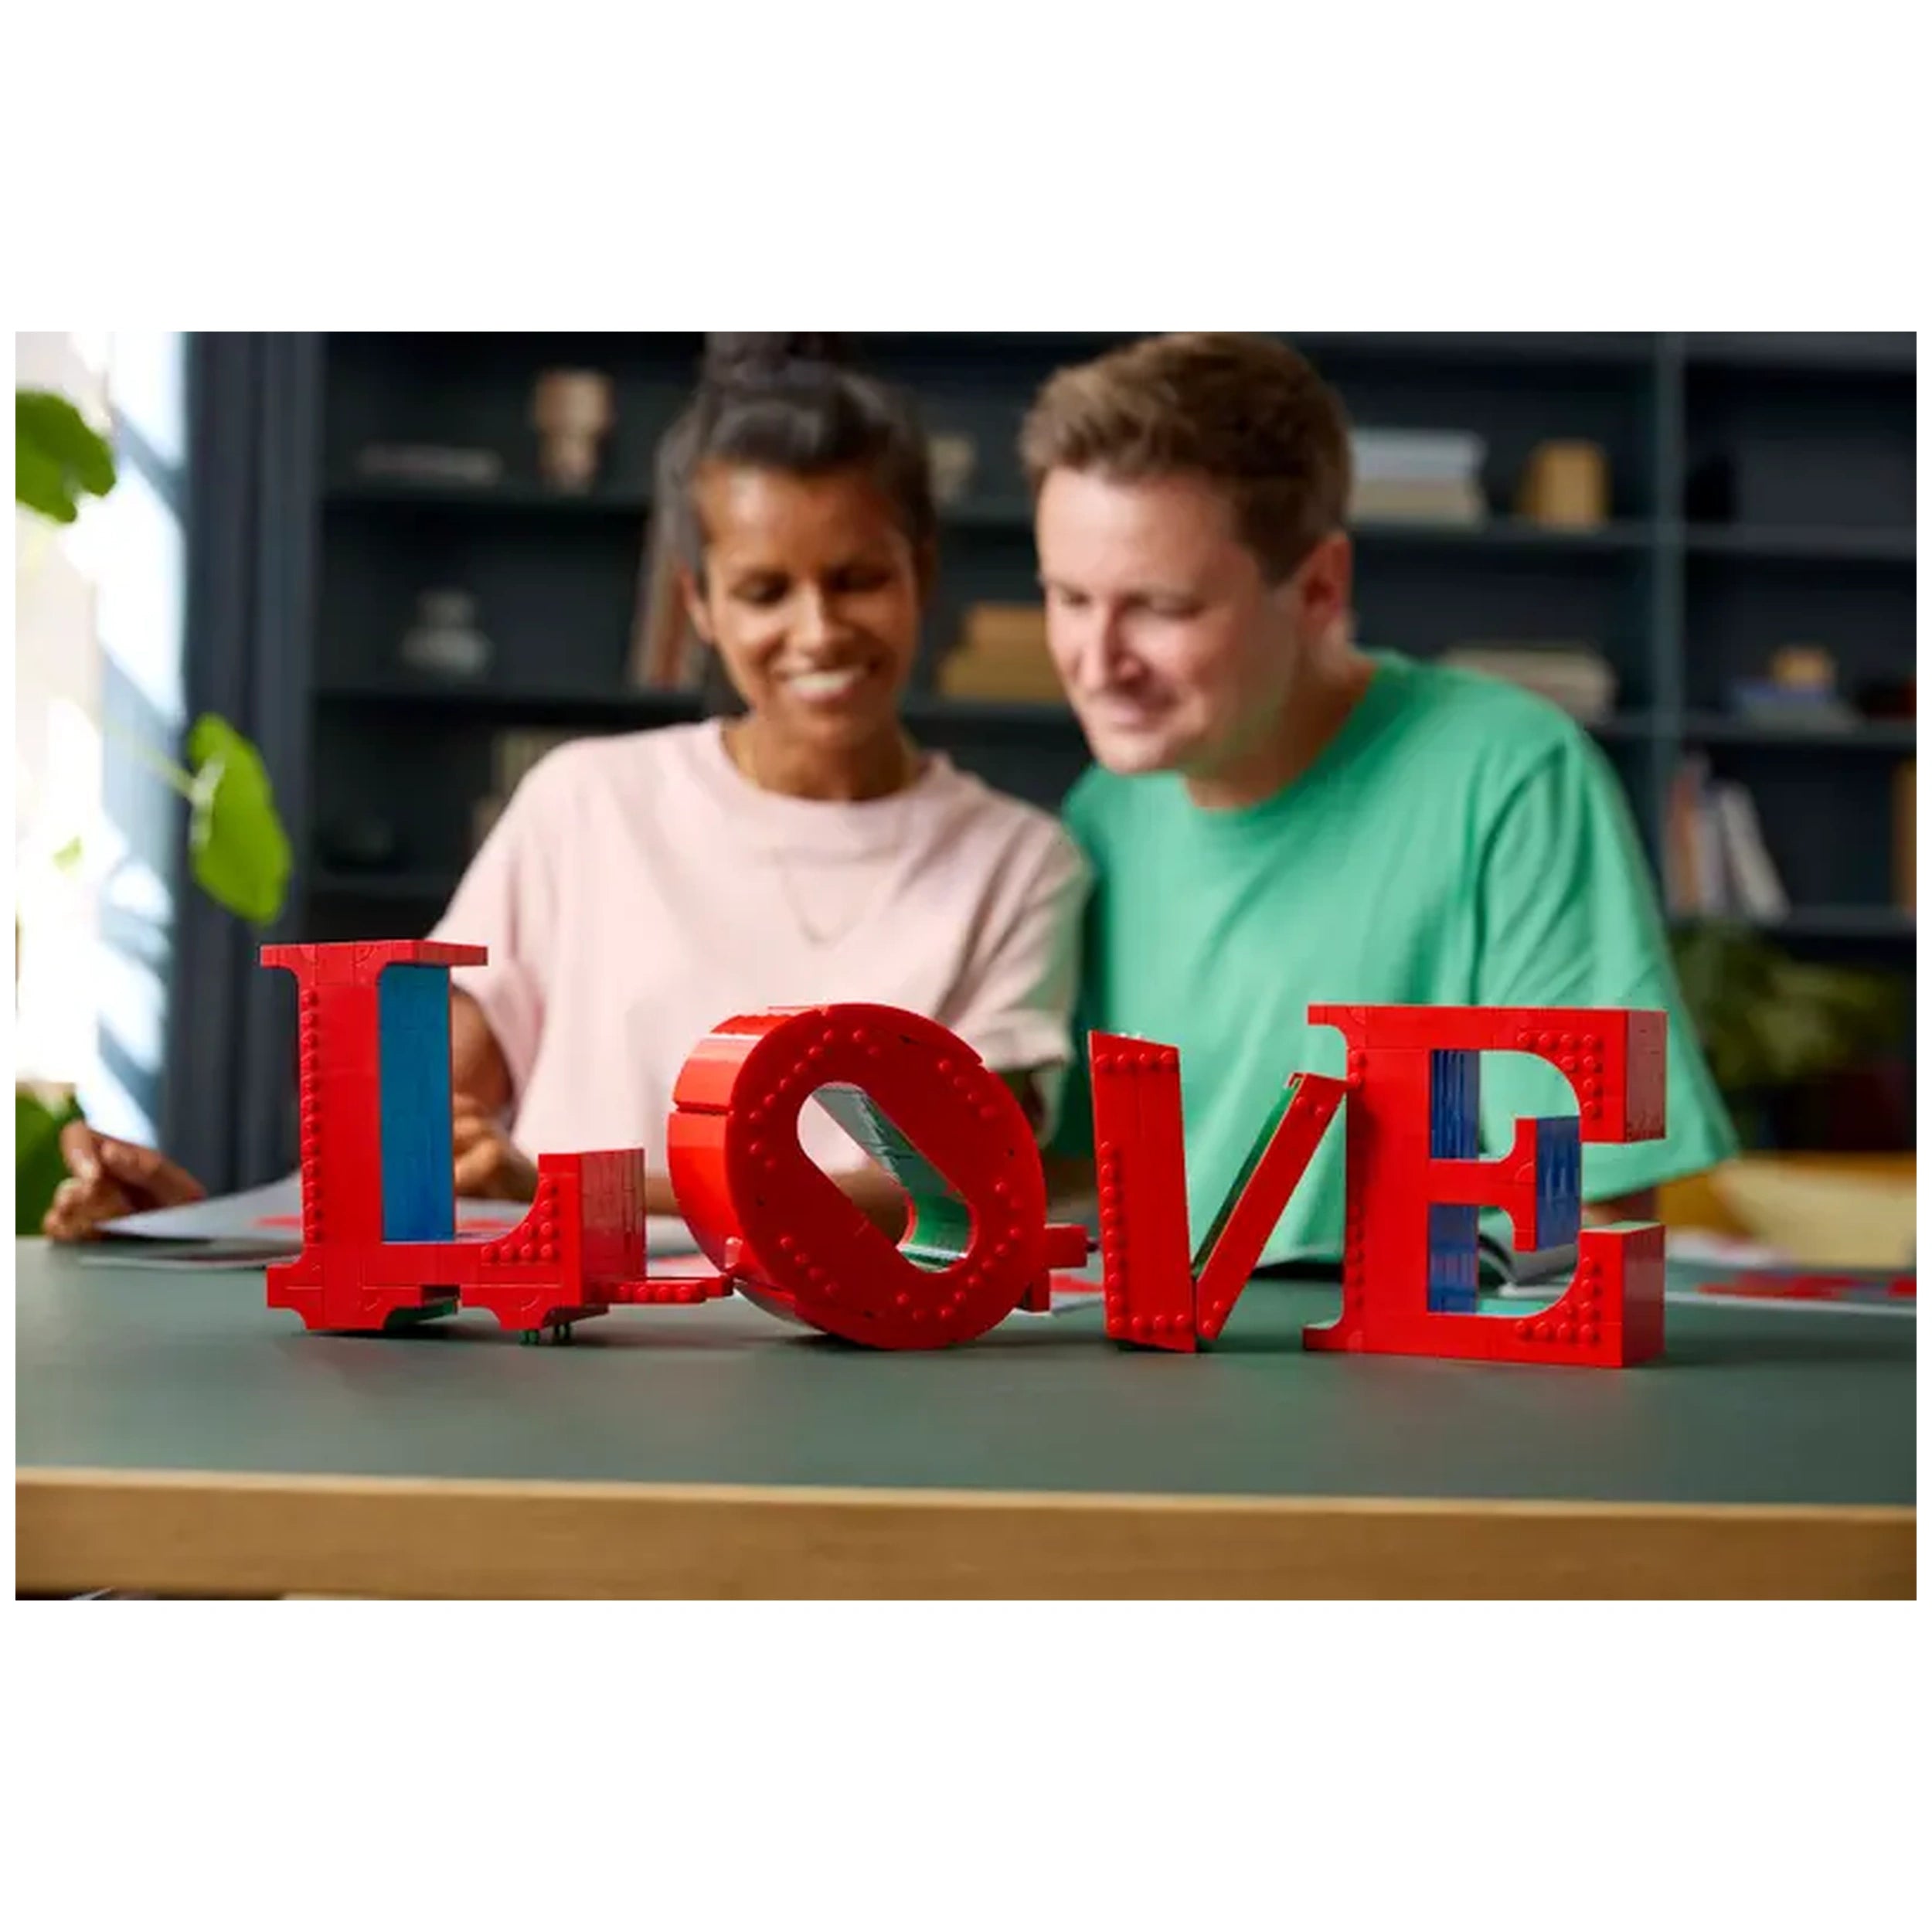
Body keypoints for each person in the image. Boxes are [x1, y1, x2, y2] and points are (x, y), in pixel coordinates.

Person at [44, 335, 1089, 1242]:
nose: (817, 632)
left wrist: (568, 1189)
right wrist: (190, 1225)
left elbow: (951, 1193)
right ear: (702, 607)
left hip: (853, 1382)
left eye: (857, 579)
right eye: (765, 591)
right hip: (552, 1360)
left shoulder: (1022, 861)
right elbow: (420, 1129)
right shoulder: (583, 802)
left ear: (923, 573)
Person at [1022, 332, 1736, 1264]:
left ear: (1319, 588)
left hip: (1427, 1396)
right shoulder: (1101, 816)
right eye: (1069, 598)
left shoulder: (1509, 776)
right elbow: (1086, 1182)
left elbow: (1587, 1216)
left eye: (1160, 607)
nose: (1098, 662)